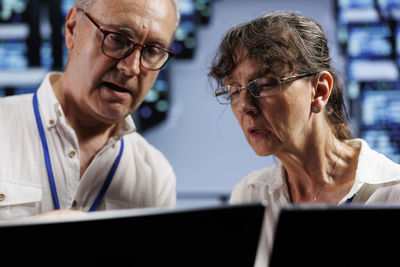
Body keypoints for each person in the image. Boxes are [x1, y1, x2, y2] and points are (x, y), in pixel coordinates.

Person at [209, 11, 400, 267]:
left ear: (320, 91)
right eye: (234, 90)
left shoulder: (393, 192)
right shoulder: (250, 195)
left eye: (264, 84)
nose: (245, 106)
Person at [0, 0, 180, 220]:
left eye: (152, 50)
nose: (131, 67)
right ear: (72, 28)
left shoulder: (155, 178)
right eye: (117, 39)